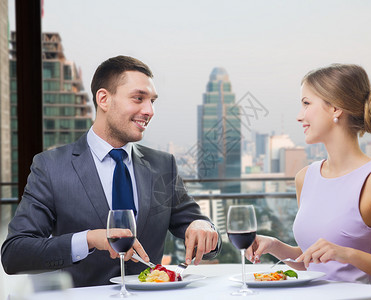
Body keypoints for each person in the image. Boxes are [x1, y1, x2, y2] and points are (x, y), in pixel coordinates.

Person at [1, 55, 221, 287]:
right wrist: (90, 239)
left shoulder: (163, 165)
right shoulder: (50, 167)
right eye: (138, 98)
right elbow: (15, 254)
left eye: (152, 101)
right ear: (104, 99)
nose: (149, 110)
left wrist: (203, 227)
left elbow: (206, 242)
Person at [246, 63, 371, 288]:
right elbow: (314, 262)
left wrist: (348, 254)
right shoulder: (305, 178)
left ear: (336, 108)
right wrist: (275, 246)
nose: (300, 116)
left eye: (307, 104)